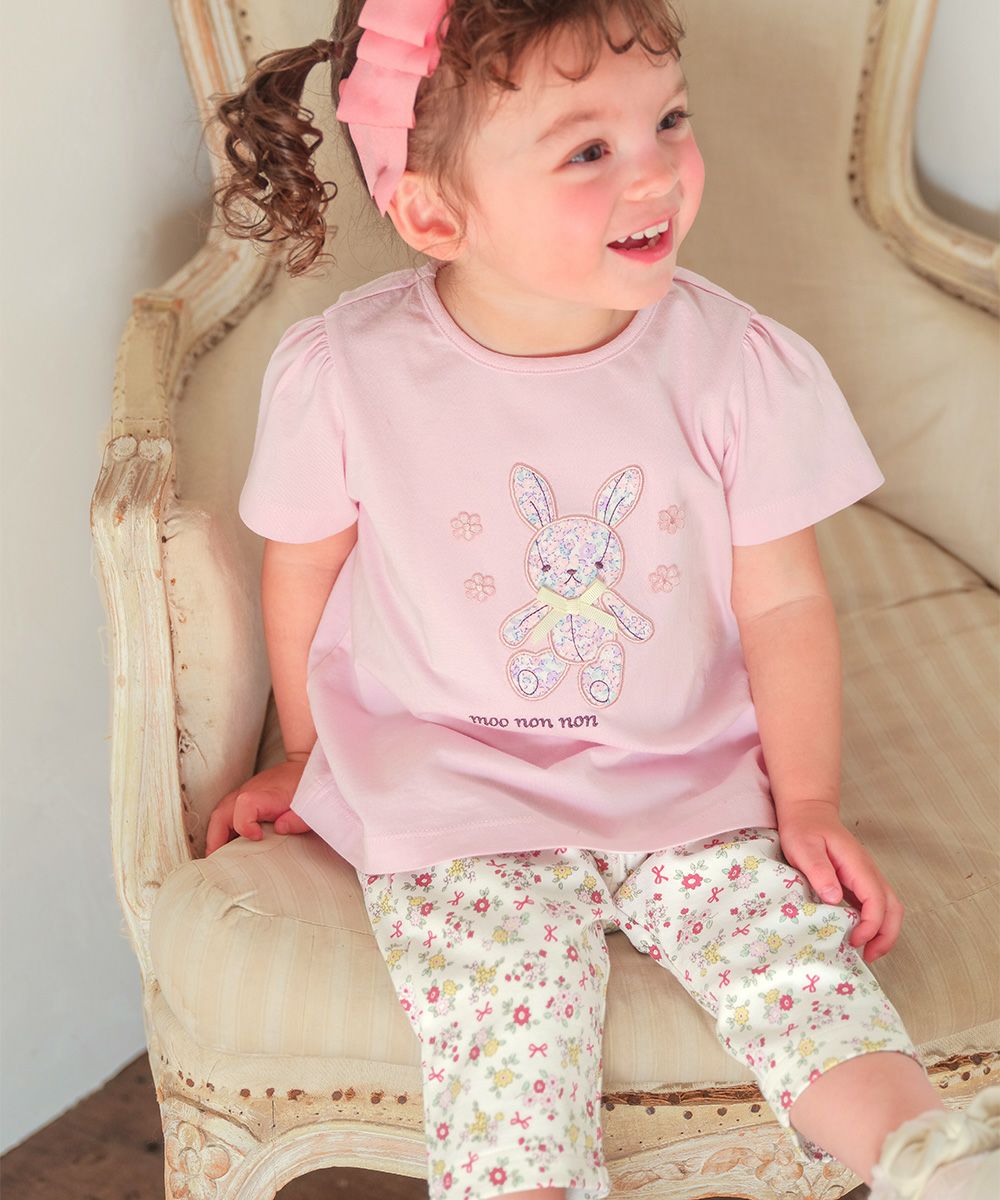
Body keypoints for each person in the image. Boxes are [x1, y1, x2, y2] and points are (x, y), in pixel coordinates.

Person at [202, 3, 1000, 1198]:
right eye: (588, 148)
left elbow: (784, 604)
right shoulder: (347, 373)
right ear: (433, 213)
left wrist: (809, 799)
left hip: (685, 780)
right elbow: (302, 569)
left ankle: (926, 1157)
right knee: (504, 1030)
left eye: (667, 120)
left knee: (797, 974)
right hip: (453, 789)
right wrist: (311, 757)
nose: (657, 171)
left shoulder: (733, 363)